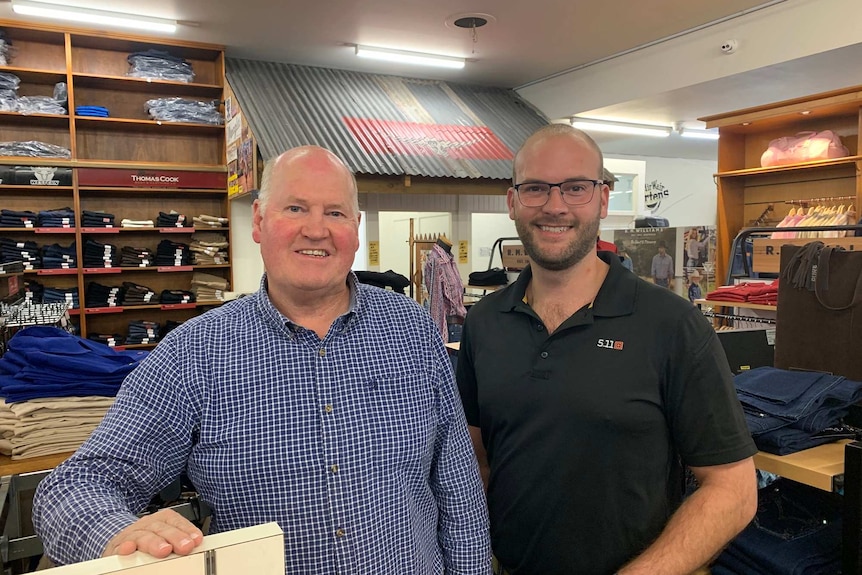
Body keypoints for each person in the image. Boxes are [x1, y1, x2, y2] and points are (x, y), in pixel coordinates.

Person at [32, 146, 491, 573]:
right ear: (258, 220)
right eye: (295, 208)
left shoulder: (410, 329)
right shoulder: (194, 354)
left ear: (355, 226)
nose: (316, 229)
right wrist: (117, 531)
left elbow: (456, 483)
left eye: (335, 212)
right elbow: (74, 485)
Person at [456, 124, 757, 575]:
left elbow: (733, 489)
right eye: (536, 188)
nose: (555, 206)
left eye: (575, 188)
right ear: (513, 201)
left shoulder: (672, 325)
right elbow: (477, 462)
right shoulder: (484, 322)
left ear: (603, 198)